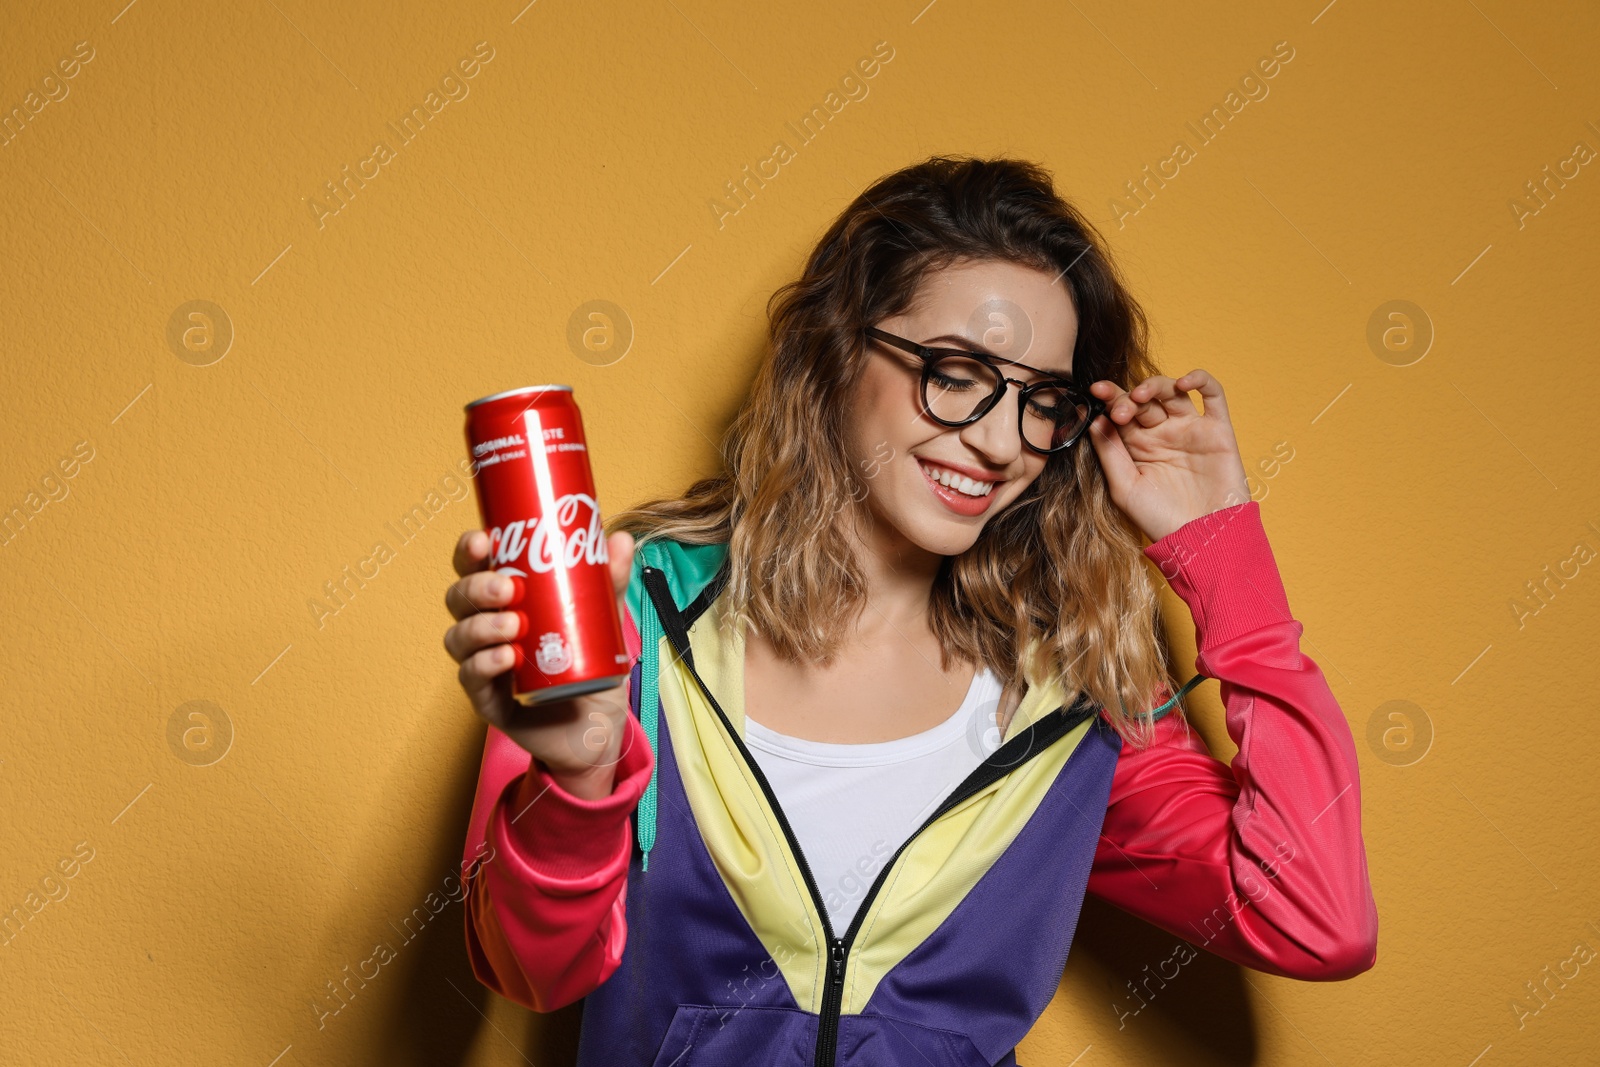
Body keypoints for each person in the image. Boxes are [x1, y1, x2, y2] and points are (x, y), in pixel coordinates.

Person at [443, 155, 1379, 1067]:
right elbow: (534, 970)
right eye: (957, 372)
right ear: (837, 348)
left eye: (1041, 400)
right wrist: (576, 780)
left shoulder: (1074, 691)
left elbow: (1315, 917)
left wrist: (1220, 552)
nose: (1003, 442)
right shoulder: (635, 613)